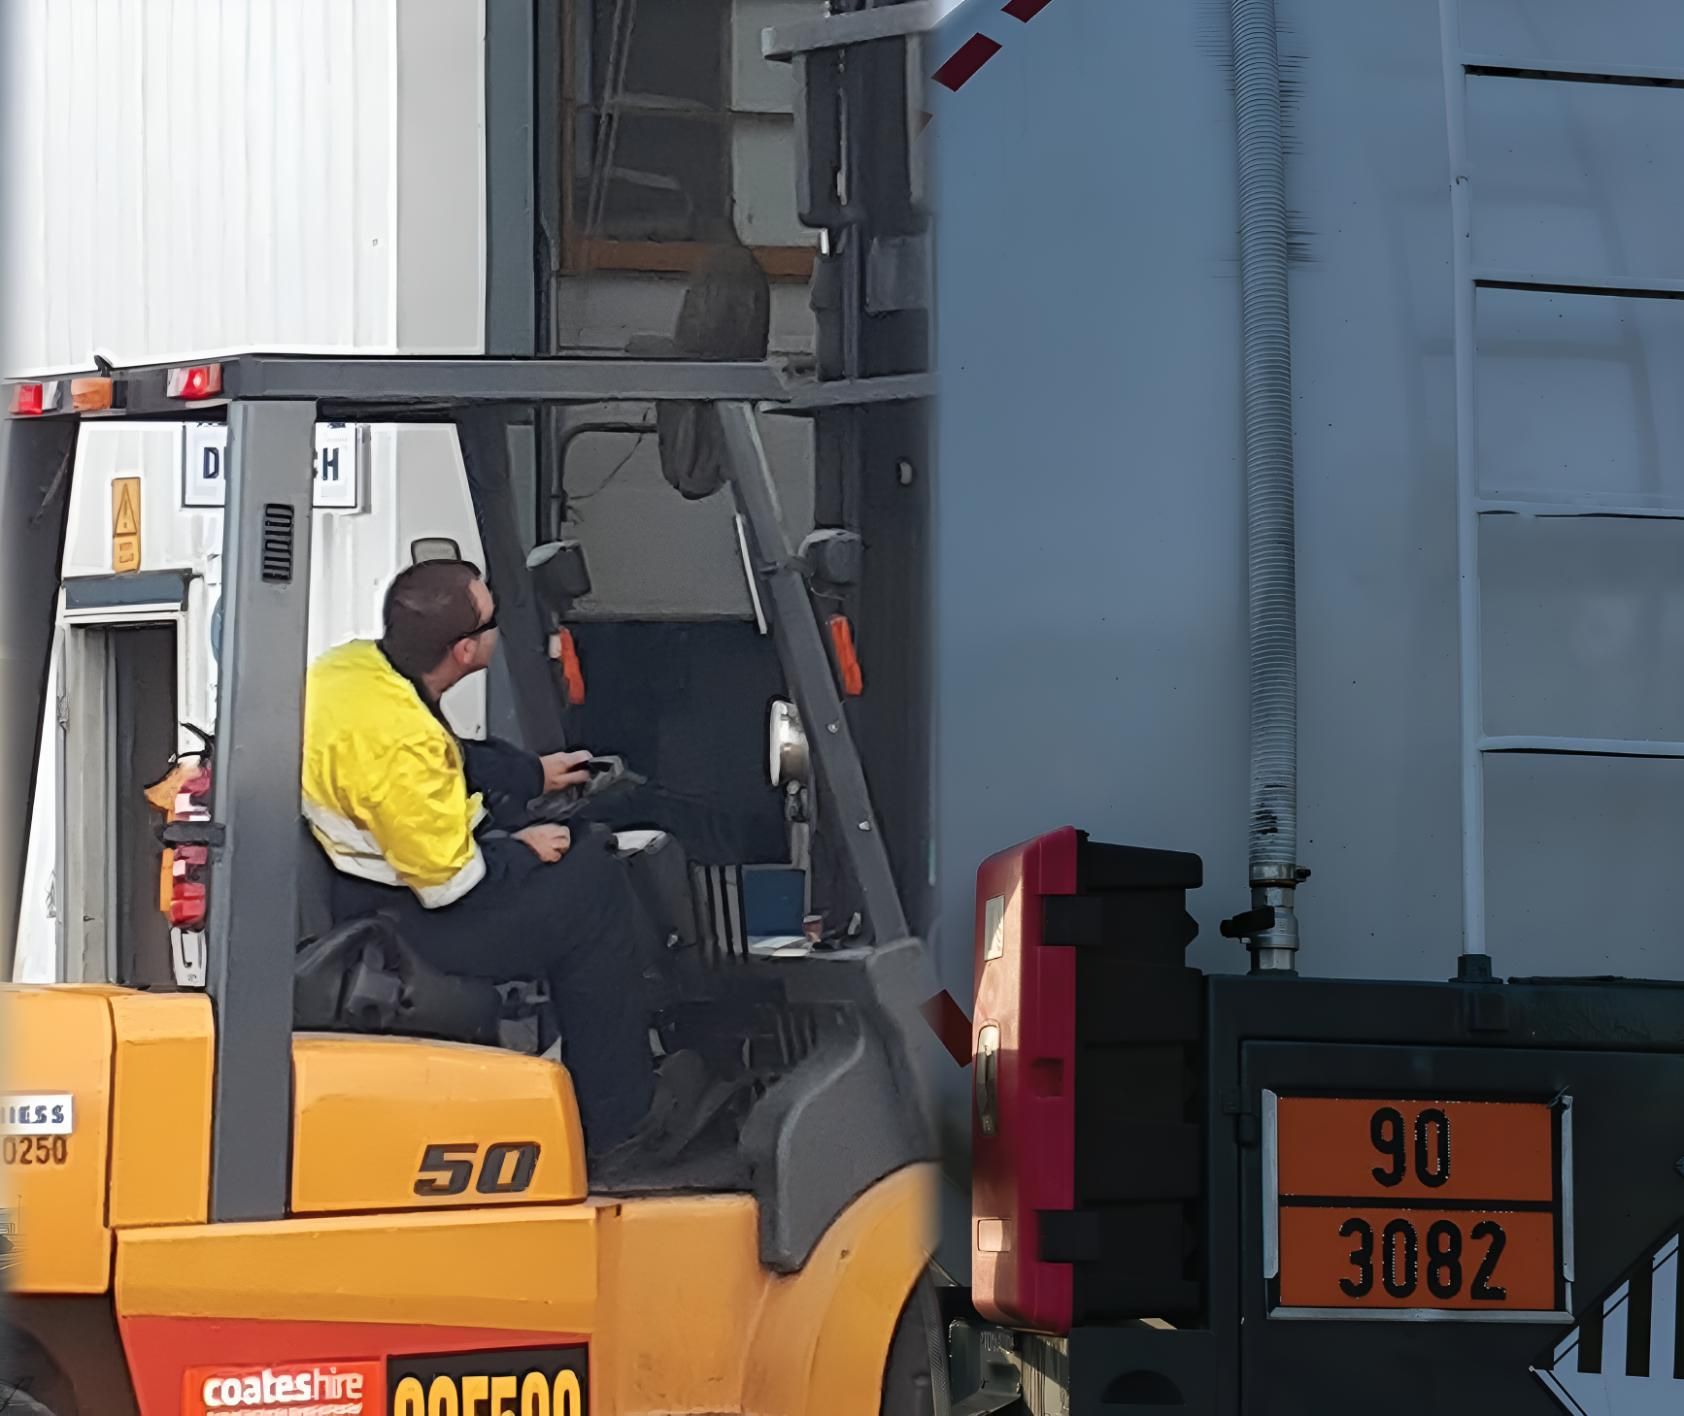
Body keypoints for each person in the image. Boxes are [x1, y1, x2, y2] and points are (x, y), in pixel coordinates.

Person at [300, 559, 657, 1153]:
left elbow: (448, 757)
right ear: (465, 651)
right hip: (412, 921)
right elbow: (452, 886)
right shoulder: (401, 743)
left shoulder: (353, 671)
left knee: (577, 858)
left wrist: (531, 775)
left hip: (373, 889)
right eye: (493, 622)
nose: (500, 628)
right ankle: (618, 1126)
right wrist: (522, 848)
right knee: (594, 884)